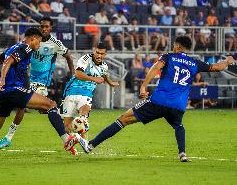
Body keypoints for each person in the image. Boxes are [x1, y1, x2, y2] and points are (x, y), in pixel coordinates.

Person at [74, 36, 236, 162]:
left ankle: (90, 145)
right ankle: (182, 153)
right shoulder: (194, 62)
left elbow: (155, 68)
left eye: (174, 45)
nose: (173, 47)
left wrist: (144, 86)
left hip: (159, 101)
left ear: (178, 46)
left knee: (123, 119)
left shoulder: (169, 56)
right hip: (178, 106)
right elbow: (217, 67)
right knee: (178, 125)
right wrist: (228, 60)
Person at [0, 27, 77, 160]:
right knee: (51, 104)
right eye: (38, 42)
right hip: (14, 90)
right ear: (33, 39)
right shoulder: (25, 48)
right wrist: (3, 79)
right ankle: (67, 140)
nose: (39, 45)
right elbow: (8, 62)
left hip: (2, 94)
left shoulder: (12, 48)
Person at [0, 17, 77, 155]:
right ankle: (69, 133)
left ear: (51, 28)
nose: (44, 29)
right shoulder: (32, 41)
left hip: (42, 82)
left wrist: (73, 74)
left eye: (47, 27)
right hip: (27, 79)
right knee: (44, 109)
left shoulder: (55, 43)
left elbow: (68, 56)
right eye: (42, 26)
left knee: (25, 107)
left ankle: (8, 137)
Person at [61, 42, 119, 136]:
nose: (99, 55)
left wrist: (110, 82)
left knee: (83, 119)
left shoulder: (104, 66)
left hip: (86, 93)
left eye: (102, 54)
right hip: (72, 91)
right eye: (97, 52)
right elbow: (78, 74)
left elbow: (104, 75)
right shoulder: (86, 59)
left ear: (105, 54)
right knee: (67, 126)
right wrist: (95, 79)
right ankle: (76, 140)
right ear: (94, 50)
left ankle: (84, 140)